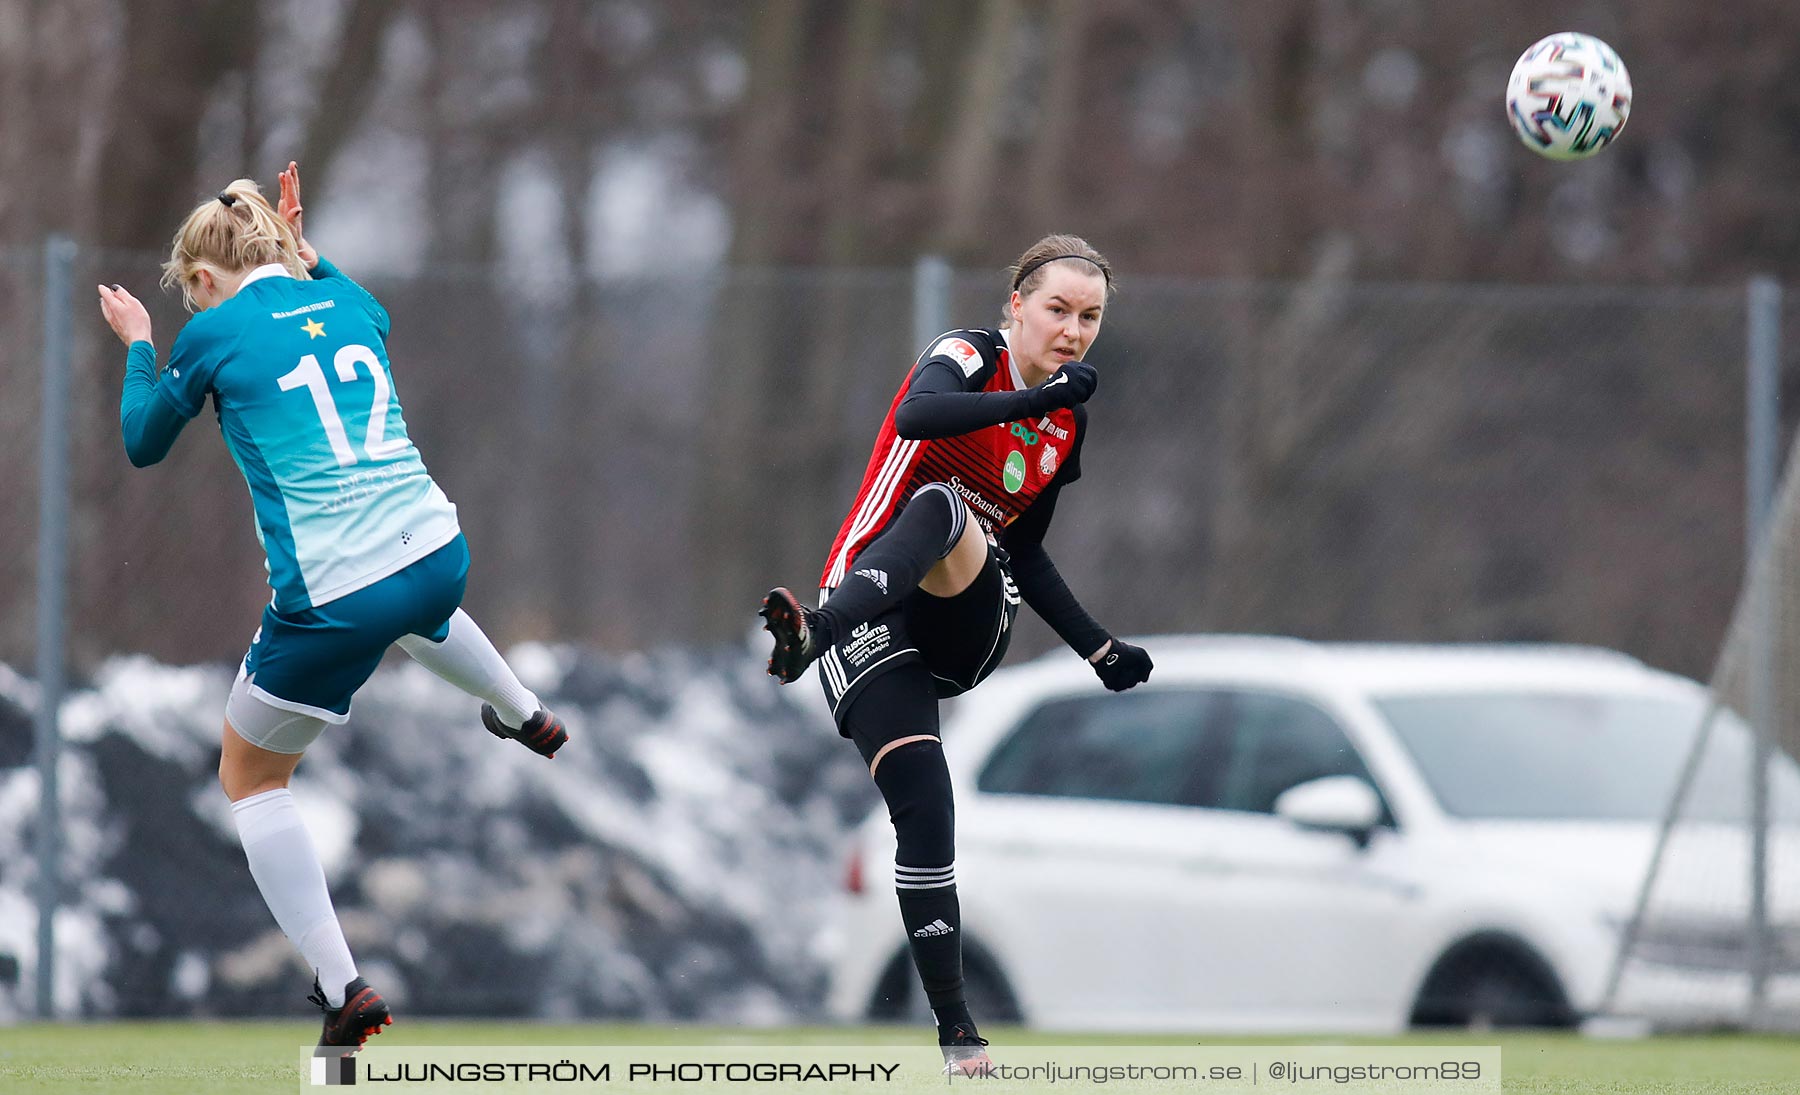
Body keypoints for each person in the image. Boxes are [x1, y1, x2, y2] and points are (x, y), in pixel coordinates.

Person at [96, 163, 568, 1051]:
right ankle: (525, 710)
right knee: (418, 613)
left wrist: (139, 342)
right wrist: (310, 255)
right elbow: (355, 306)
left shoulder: (213, 329)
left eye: (189, 295)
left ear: (201, 281)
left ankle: (343, 986)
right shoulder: (350, 304)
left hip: (334, 597)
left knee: (252, 777)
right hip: (438, 555)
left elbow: (141, 442)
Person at [758, 234, 1154, 1073]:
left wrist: (1096, 646)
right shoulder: (967, 355)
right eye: (1058, 309)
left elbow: (1029, 550)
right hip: (870, 609)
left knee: (943, 505)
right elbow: (916, 416)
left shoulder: (1064, 419)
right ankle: (958, 1037)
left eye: (1091, 317)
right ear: (1016, 305)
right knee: (924, 811)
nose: (1074, 330)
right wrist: (1032, 399)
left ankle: (812, 634)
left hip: (965, 614)